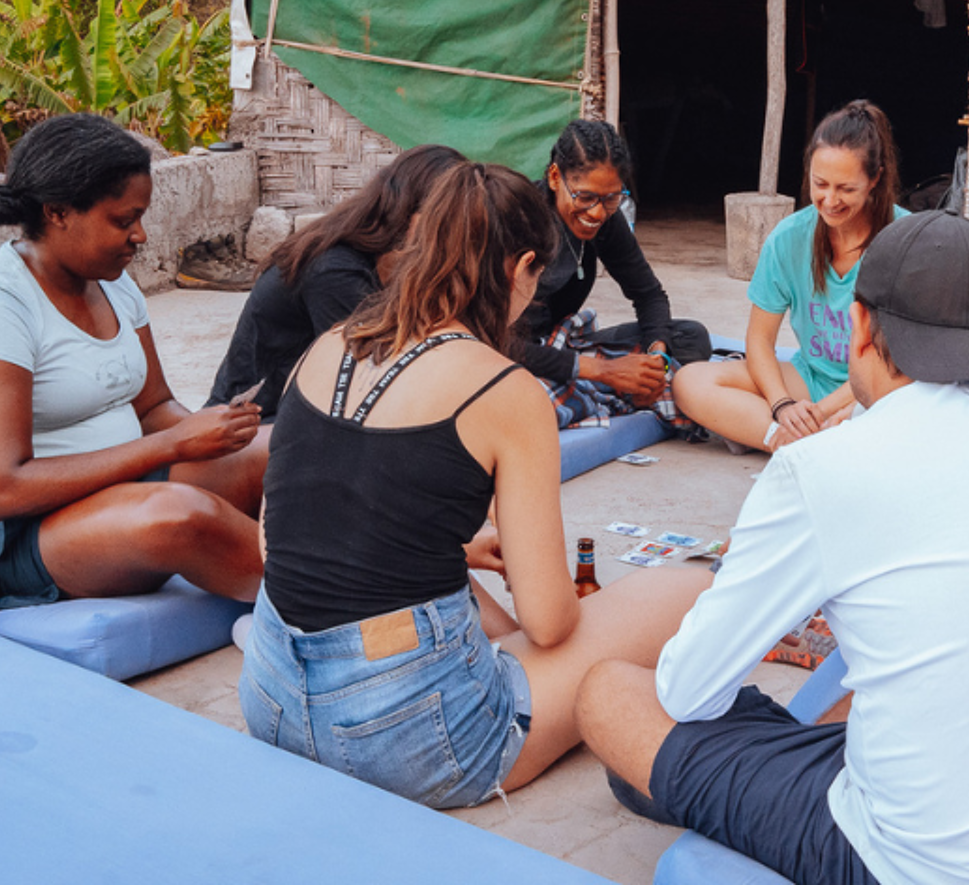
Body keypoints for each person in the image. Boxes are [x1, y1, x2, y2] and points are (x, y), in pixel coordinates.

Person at [577, 211, 969, 885]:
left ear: (859, 325)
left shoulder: (824, 466)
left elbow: (687, 692)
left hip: (924, 866)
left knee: (611, 695)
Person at [240, 160, 712, 809]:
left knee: (447, 588)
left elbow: (280, 544)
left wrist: (453, 552)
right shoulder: (506, 388)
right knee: (685, 586)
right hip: (407, 741)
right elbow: (547, 622)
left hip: (269, 701)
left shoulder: (326, 346)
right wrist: (524, 567)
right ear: (522, 269)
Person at [0, 113, 265, 608]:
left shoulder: (114, 284)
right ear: (57, 212)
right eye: (123, 221)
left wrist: (210, 434)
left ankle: (329, 570)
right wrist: (171, 446)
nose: (139, 236)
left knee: (282, 447)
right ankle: (324, 609)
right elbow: (1, 489)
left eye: (140, 218)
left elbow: (152, 407)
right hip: (4, 535)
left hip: (118, 488)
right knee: (180, 515)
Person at [672, 100, 903, 452]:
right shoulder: (789, 237)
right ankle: (801, 444)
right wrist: (782, 406)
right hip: (809, 379)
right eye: (820, 184)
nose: (829, 200)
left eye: (846, 189)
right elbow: (760, 340)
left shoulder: (906, 239)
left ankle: (803, 442)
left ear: (875, 179)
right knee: (689, 381)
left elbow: (900, 362)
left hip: (879, 386)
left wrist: (819, 412)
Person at [206, 144, 467, 419]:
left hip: (299, 413)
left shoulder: (373, 259)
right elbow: (375, 375)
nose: (451, 235)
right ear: (407, 212)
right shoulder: (334, 271)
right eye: (444, 221)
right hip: (251, 426)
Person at [517, 120, 710, 422]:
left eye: (611, 198)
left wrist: (655, 364)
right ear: (555, 177)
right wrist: (603, 371)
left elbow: (649, 295)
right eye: (585, 197)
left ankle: (597, 391)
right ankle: (591, 390)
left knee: (690, 338)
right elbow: (490, 341)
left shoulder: (606, 219)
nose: (596, 212)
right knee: (514, 399)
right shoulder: (520, 220)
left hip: (558, 345)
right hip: (505, 352)